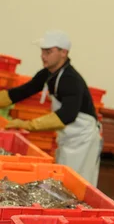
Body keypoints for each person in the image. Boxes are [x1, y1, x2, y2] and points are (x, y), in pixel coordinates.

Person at [0, 30, 102, 186]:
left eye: (48, 51)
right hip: (67, 137)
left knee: (77, 183)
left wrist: (27, 125)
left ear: (64, 52)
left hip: (83, 140)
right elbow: (22, 92)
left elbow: (67, 115)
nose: (43, 55)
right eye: (42, 51)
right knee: (62, 181)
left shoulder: (70, 79)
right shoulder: (48, 74)